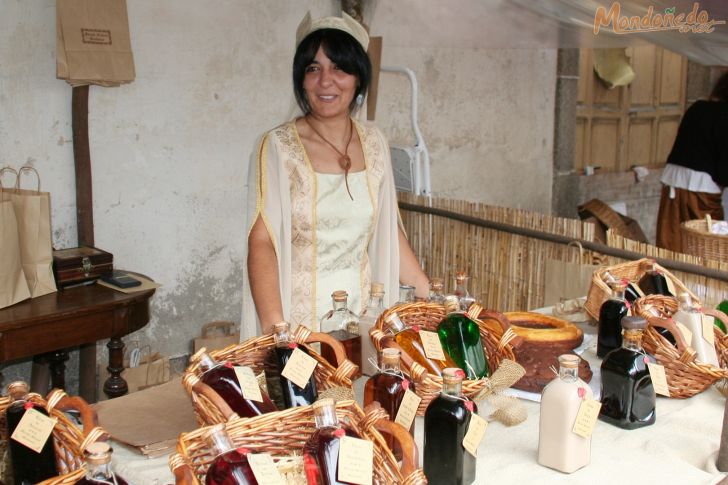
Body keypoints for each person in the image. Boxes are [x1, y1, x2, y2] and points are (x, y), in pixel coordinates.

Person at [243, 12, 430, 335]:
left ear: (359, 77)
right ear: (301, 79)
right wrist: (278, 333)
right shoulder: (278, 147)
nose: (325, 81)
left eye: (339, 68)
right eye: (313, 69)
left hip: (364, 322)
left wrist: (432, 297)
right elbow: (262, 242)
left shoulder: (374, 143)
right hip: (300, 326)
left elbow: (386, 230)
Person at [656, 70, 728, 252]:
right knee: (707, 247)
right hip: (702, 188)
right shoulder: (724, 116)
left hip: (673, 181)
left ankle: (668, 279)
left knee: (672, 241)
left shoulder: (697, 108)